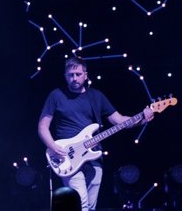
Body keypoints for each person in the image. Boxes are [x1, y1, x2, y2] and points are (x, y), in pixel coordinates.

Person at [38, 56, 154, 211]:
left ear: (85, 75)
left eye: (78, 74)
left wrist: (142, 117)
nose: (74, 78)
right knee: (81, 203)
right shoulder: (56, 95)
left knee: (91, 207)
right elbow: (42, 126)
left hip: (94, 158)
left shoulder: (96, 96)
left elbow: (120, 121)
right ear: (65, 76)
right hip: (67, 156)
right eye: (70, 75)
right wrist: (52, 145)